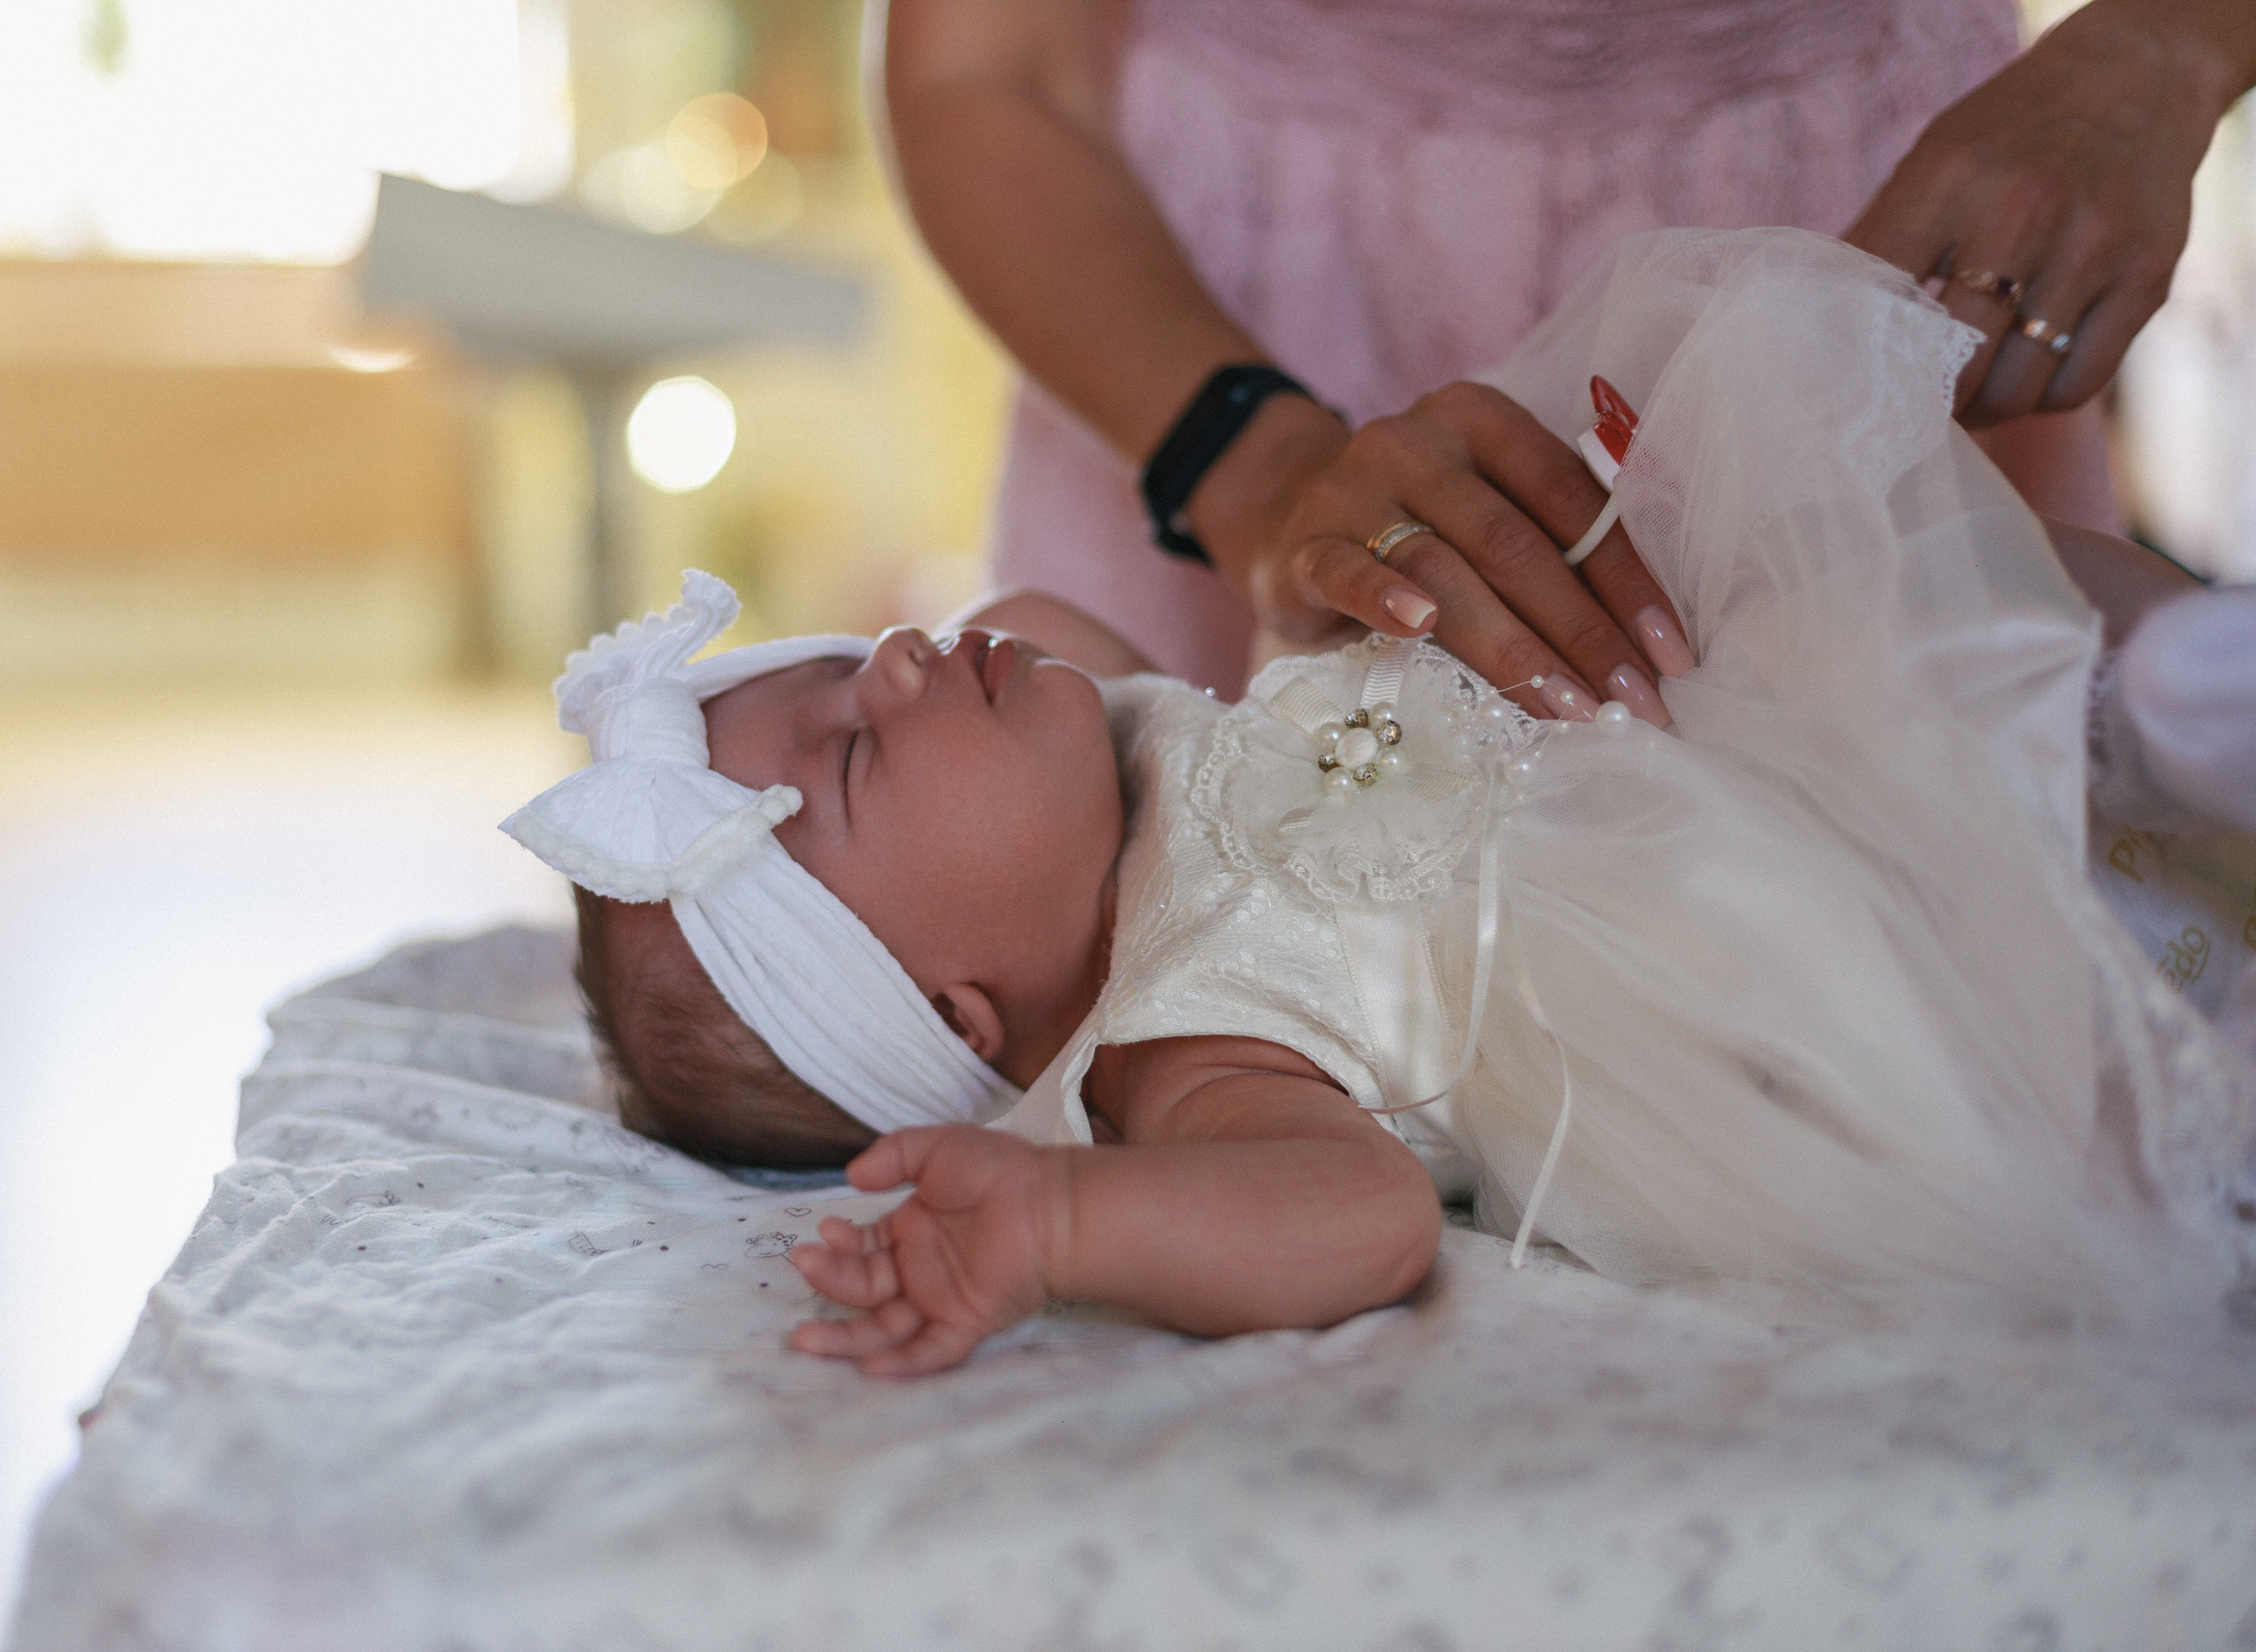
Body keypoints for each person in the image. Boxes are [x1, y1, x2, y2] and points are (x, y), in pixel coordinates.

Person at [508, 232, 2256, 1376]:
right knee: (2003, 955)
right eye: (857, 752)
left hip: (1697, 699)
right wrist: (1056, 1223)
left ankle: (2178, 678)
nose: (893, 662)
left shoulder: (1111, 736)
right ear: (963, 1009)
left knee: (1868, 585)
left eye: (839, 663)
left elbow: (1028, 638)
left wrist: (923, 717)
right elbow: (1355, 1221)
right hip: (1745, 960)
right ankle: (2167, 768)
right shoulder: (1182, 1049)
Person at [876, 0, 2256, 701]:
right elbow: (985, 70)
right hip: (1210, 326)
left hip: (1859, 245)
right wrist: (1262, 468)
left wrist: (2164, 46)